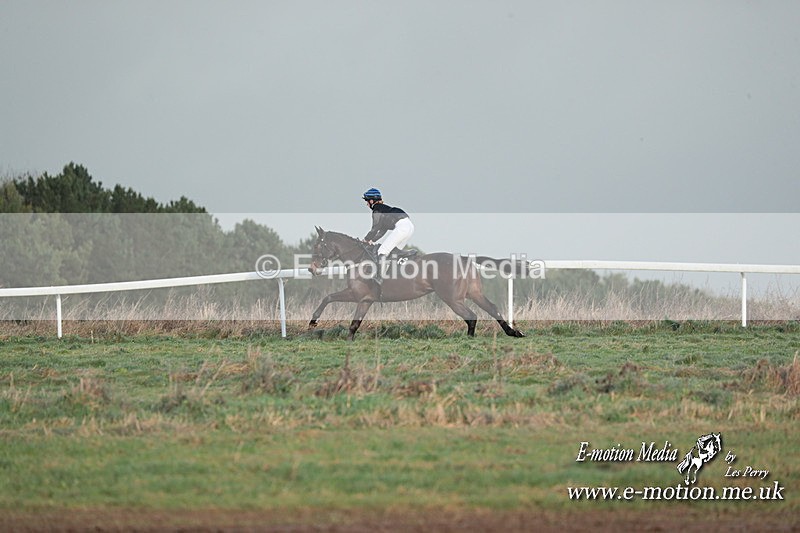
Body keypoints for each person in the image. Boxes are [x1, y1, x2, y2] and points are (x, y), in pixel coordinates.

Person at [362, 188, 415, 286]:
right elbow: (383, 230)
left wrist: (365, 239)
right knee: (393, 253)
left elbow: (375, 228)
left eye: (367, 201)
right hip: (409, 226)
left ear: (371, 201)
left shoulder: (377, 210)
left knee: (382, 251)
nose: (367, 204)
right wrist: (372, 240)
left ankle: (380, 279)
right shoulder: (384, 209)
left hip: (402, 227)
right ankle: (396, 274)